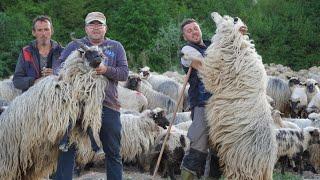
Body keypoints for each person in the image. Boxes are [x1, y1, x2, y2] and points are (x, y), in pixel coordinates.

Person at [55, 12, 128, 180]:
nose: (96, 28)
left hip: (108, 105)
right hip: (77, 106)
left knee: (113, 151)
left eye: (99, 25)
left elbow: (124, 73)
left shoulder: (115, 47)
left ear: (105, 28)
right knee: (67, 147)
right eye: (92, 25)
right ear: (86, 28)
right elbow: (60, 67)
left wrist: (105, 70)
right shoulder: (75, 46)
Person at [179, 19, 221, 180]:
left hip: (222, 105)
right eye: (189, 31)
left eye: (195, 28)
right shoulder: (187, 50)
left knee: (219, 147)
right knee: (199, 145)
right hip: (202, 105)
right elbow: (203, 66)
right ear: (184, 36)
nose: (194, 32)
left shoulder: (213, 45)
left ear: (200, 29)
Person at [13, 15, 63, 92]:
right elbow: (17, 81)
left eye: (46, 29)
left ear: (52, 31)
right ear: (34, 32)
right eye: (39, 30)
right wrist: (34, 81)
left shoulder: (62, 52)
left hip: (56, 97)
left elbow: (72, 78)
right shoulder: (26, 52)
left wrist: (56, 74)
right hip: (31, 98)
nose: (43, 33)